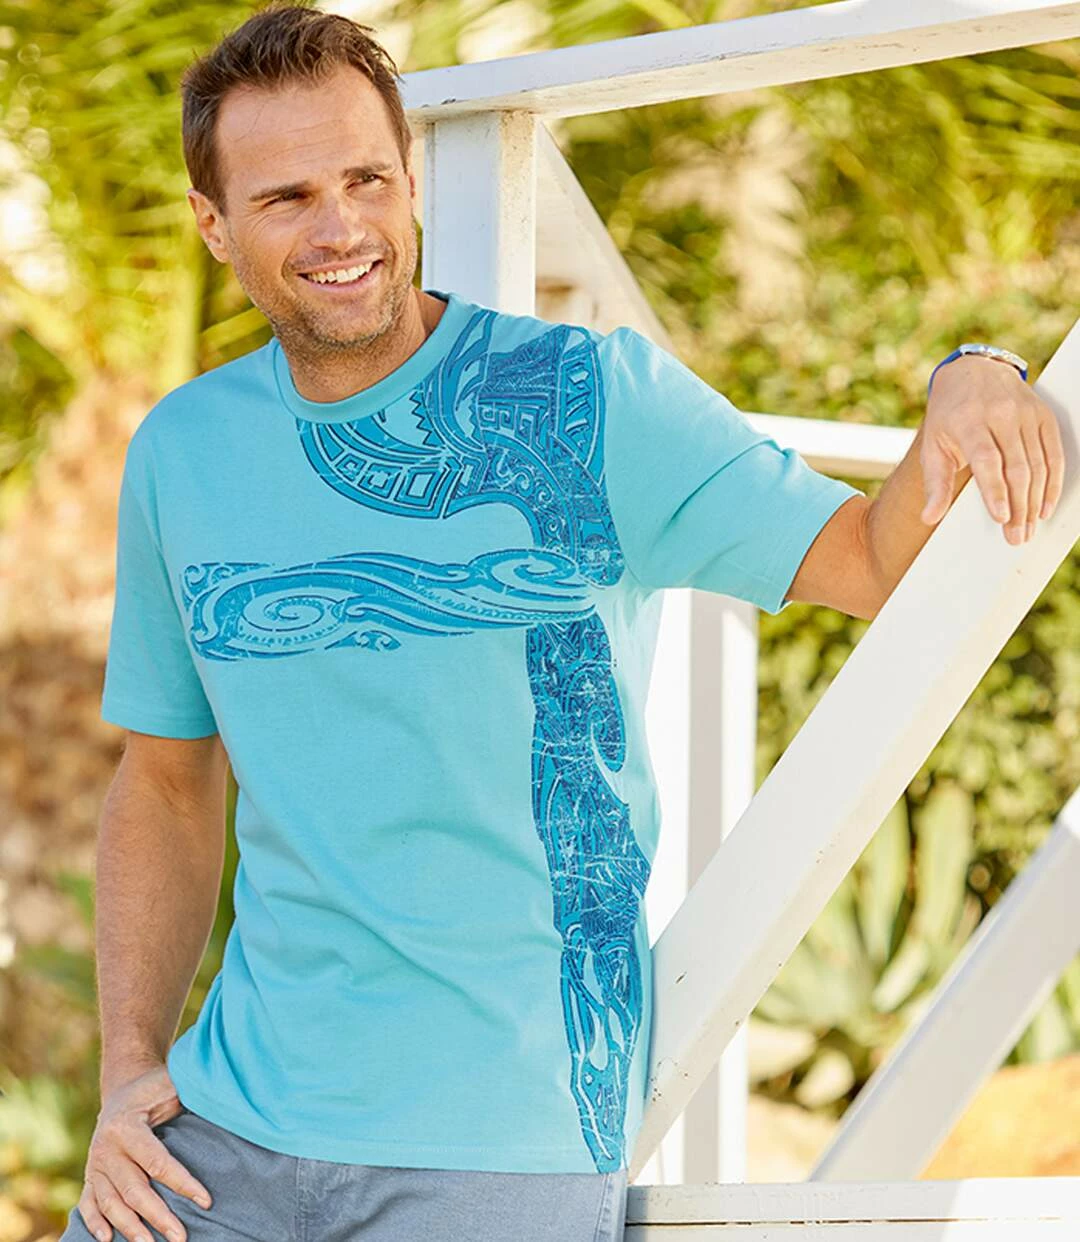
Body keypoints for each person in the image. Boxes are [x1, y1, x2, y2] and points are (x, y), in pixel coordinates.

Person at [61, 3, 1063, 1241]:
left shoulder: (590, 399)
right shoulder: (184, 452)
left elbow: (866, 558)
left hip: (500, 1146)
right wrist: (127, 1070)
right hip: (221, 1140)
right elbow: (163, 783)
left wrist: (977, 372)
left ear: (411, 177)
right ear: (213, 223)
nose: (341, 229)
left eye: (366, 179)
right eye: (287, 198)